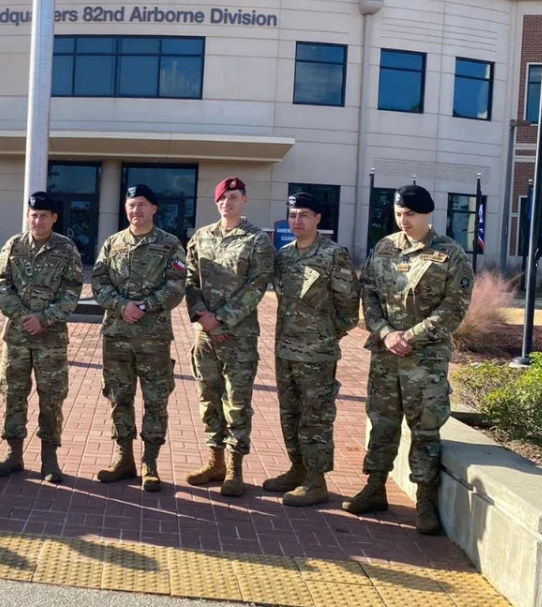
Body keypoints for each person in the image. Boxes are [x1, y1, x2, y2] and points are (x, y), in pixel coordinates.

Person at [345, 184, 473, 534]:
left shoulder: (450, 253)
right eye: (400, 214)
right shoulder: (384, 247)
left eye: (411, 215)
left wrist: (410, 337)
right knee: (382, 422)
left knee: (425, 428)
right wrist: (386, 332)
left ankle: (425, 501)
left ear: (428, 214)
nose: (404, 220)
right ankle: (375, 488)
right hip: (386, 353)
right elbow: (367, 293)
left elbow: (453, 308)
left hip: (426, 358)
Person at [264, 192, 360, 506]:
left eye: (304, 214)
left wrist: (326, 337)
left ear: (318, 218)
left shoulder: (333, 255)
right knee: (289, 414)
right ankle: (297, 469)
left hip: (317, 355)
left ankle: (317, 481)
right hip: (285, 351)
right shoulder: (285, 255)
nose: (297, 221)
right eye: (293, 215)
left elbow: (349, 308)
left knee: (315, 417)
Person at [90, 184, 187, 492]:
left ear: (154, 209)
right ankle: (124, 459)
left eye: (143, 205)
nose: (136, 210)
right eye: (131, 205)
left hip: (153, 337)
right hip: (116, 336)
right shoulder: (112, 243)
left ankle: (151, 463)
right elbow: (98, 283)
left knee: (156, 399)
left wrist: (144, 306)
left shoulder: (170, 245)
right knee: (119, 397)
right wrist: (123, 306)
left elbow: (176, 285)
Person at [184, 176, 275, 495]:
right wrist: (202, 318)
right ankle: (215, 462)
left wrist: (220, 319)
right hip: (205, 337)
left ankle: (235, 469)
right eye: (223, 198)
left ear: (245, 200)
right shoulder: (201, 236)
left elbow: (257, 285)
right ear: (216, 202)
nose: (228, 202)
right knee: (208, 400)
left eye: (235, 196)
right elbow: (190, 281)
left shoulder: (257, 240)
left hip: (239, 337)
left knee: (236, 403)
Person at [0, 191, 84, 484]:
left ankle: (49, 458)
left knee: (51, 397)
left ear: (54, 218)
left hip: (51, 338)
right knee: (13, 393)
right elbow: (1, 281)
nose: (38, 220)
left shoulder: (67, 250)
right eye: (33, 215)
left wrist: (42, 318)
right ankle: (14, 454)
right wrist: (22, 316)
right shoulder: (14, 245)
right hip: (17, 336)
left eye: (44, 215)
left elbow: (72, 291)